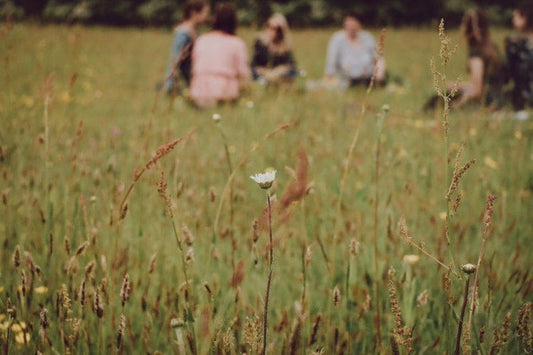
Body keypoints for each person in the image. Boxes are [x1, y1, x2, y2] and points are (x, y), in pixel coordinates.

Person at [189, 2, 251, 108]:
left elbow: (194, 68)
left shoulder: (201, 40)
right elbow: (244, 74)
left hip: (198, 92)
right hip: (224, 93)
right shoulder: (237, 43)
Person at [449, 9, 504, 109]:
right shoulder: (492, 48)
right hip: (500, 100)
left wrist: (456, 106)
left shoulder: (476, 54)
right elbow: (486, 83)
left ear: (468, 29)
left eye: (463, 24)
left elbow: (476, 91)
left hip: (487, 105)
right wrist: (457, 86)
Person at [324, 11, 386, 89]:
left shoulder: (367, 37)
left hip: (369, 78)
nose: (352, 27)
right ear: (345, 24)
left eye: (354, 24)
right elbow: (331, 62)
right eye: (349, 24)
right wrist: (329, 76)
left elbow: (378, 58)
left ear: (359, 24)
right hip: (346, 80)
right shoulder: (337, 39)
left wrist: (380, 73)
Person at [163, 0, 210, 95]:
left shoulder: (196, 31)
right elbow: (176, 59)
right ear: (193, 13)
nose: (207, 17)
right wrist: (170, 85)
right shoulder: (183, 33)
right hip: (187, 77)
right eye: (205, 13)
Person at [505, 1, 533, 119]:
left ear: (525, 17)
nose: (513, 20)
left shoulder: (517, 46)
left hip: (525, 102)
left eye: (515, 16)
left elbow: (509, 74)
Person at [251, 13, 298, 84]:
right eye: (269, 26)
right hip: (262, 74)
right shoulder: (260, 42)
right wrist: (265, 72)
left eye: (276, 29)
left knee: (295, 73)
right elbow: (254, 64)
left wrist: (278, 71)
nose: (271, 30)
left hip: (278, 75)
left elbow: (291, 65)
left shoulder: (285, 46)